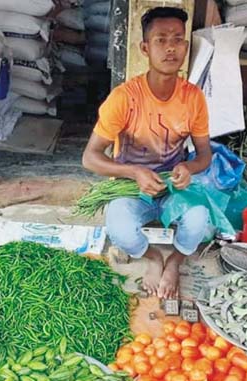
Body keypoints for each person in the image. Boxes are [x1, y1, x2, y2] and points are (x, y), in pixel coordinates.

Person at [82, 6, 213, 300]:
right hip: (132, 190)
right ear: (144, 48)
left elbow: (205, 156)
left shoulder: (193, 98)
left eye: (178, 39)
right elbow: (90, 157)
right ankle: (154, 258)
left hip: (171, 188)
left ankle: (174, 262)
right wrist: (134, 172)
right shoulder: (124, 98)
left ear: (186, 46)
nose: (170, 47)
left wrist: (188, 169)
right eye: (160, 40)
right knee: (120, 228)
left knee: (200, 220)